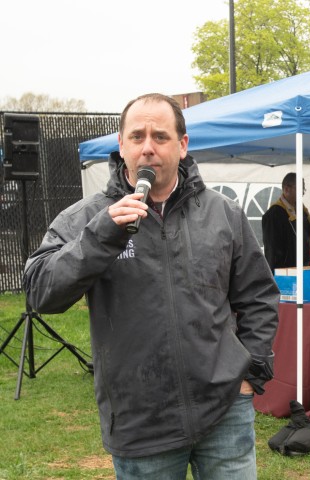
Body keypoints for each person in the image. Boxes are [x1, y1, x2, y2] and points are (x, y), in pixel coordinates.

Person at [24, 93, 280, 480]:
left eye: (160, 136)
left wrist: (251, 373)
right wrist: (100, 237)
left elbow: (259, 296)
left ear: (182, 144)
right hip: (140, 423)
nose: (148, 147)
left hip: (224, 410)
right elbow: (41, 292)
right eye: (137, 136)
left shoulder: (222, 213)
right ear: (121, 144)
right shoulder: (87, 217)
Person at [262, 172, 310, 272]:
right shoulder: (274, 214)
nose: (303, 193)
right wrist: (277, 274)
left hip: (305, 269)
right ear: (287, 189)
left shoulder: (302, 211)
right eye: (300, 189)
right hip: (285, 272)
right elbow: (272, 250)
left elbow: (307, 238)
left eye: (303, 189)